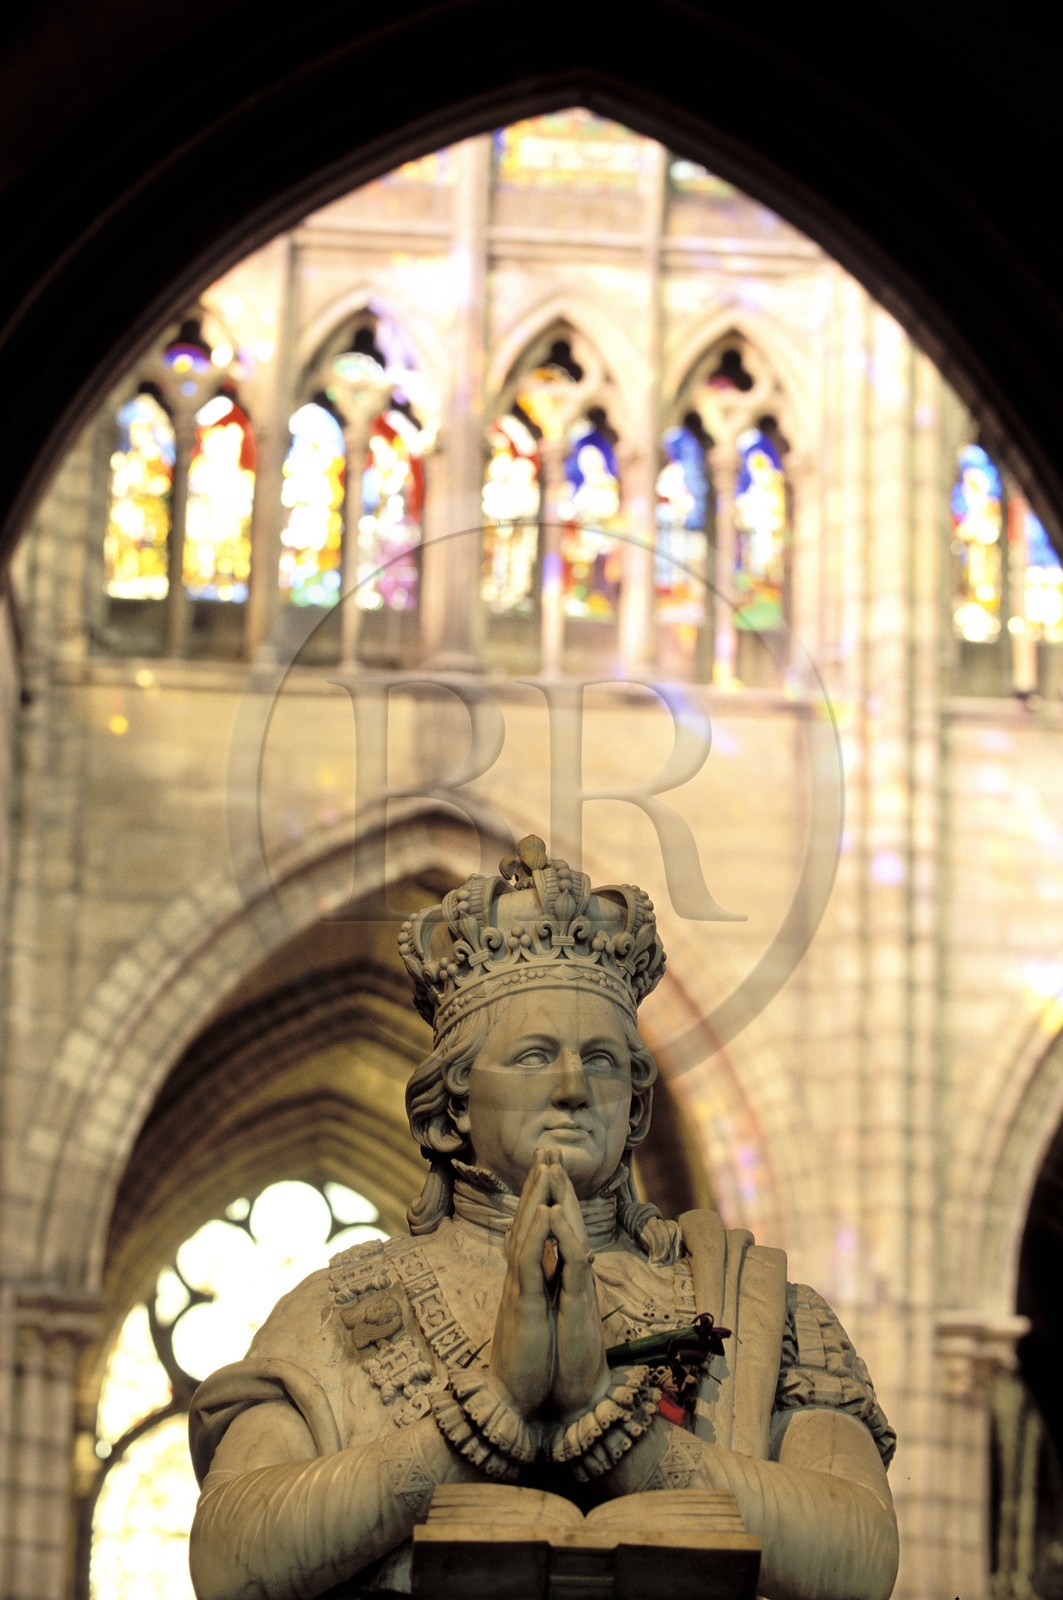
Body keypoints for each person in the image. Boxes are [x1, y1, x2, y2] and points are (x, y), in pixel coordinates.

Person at [188, 836, 899, 1600]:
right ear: (449, 1109)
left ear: (634, 1102)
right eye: (532, 1057)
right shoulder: (342, 1309)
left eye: (599, 1061)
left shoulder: (758, 1305)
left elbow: (857, 1556)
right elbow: (232, 1559)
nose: (571, 1088)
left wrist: (619, 1431)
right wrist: (488, 1414)